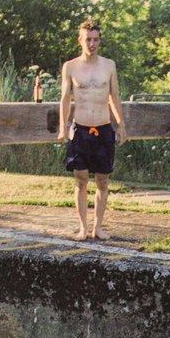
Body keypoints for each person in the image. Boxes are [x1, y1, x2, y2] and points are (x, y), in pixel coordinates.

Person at [56, 19, 127, 241]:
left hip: (104, 128)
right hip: (80, 129)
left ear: (99, 41)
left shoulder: (109, 65)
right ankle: (82, 228)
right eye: (88, 39)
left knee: (103, 181)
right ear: (80, 40)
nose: (92, 43)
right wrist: (62, 125)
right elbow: (65, 99)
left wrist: (121, 123)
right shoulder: (70, 66)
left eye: (95, 39)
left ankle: (98, 227)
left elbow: (114, 96)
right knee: (80, 180)